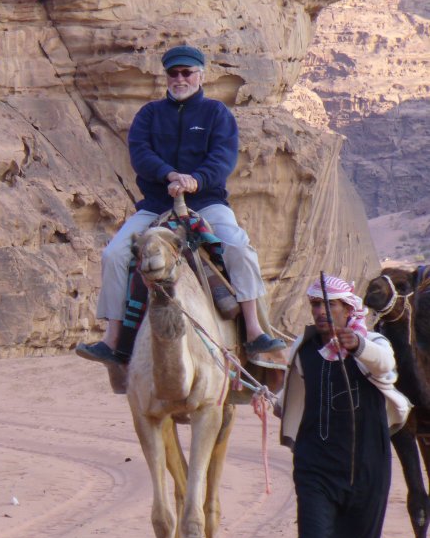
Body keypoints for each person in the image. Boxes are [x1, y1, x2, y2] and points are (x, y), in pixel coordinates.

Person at [76, 44, 284, 367]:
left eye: (187, 72)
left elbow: (223, 158)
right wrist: (169, 174)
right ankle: (112, 339)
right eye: (173, 73)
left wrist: (195, 180)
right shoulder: (149, 115)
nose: (179, 78)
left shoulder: (217, 115)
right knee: (114, 254)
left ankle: (255, 332)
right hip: (157, 205)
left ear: (201, 75)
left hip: (207, 203)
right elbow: (140, 155)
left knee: (239, 248)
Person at [277, 275, 411, 538]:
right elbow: (293, 390)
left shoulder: (374, 343)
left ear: (347, 307)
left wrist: (357, 345)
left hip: (368, 470)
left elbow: (385, 365)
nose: (321, 310)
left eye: (329, 304)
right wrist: (271, 400)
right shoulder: (305, 348)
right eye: (315, 304)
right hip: (315, 470)